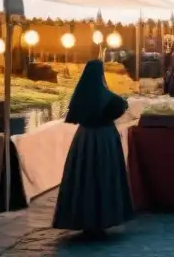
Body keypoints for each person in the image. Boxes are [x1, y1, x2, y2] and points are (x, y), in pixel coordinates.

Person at [53, 60, 134, 235]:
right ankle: (102, 218)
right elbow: (121, 106)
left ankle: (85, 219)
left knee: (85, 176)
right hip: (104, 139)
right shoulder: (109, 99)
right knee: (103, 175)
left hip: (84, 139)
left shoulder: (81, 96)